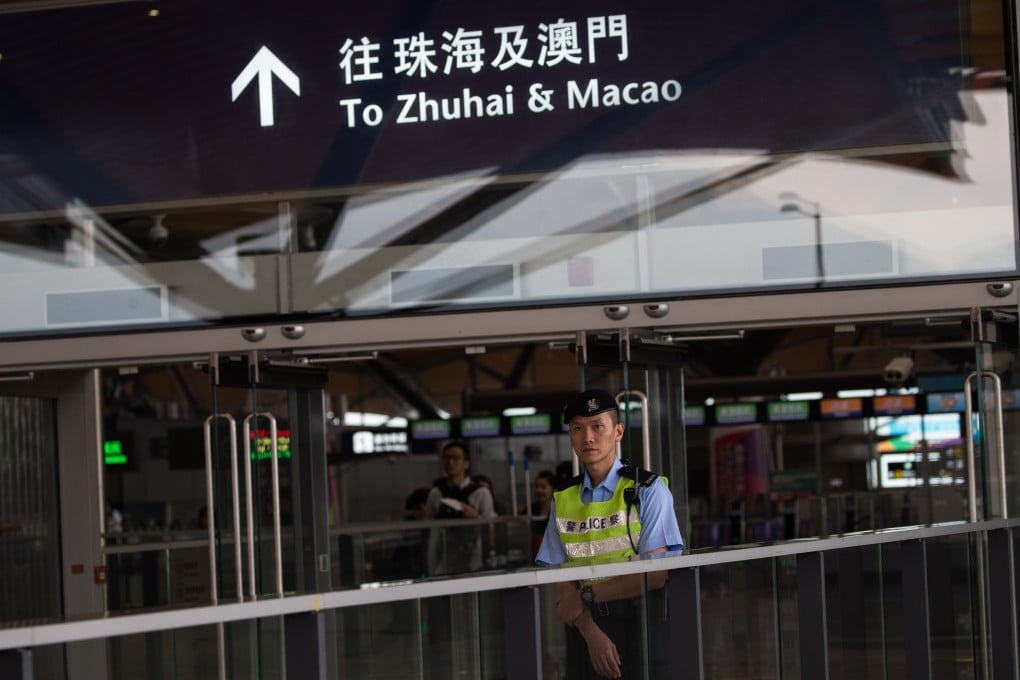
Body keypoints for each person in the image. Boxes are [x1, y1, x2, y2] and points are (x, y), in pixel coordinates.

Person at [536, 389, 684, 679]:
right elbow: (560, 583)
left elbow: (656, 575)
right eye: (577, 428)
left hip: (641, 622)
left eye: (597, 427)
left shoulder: (649, 490)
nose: (587, 437)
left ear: (618, 432)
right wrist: (591, 633)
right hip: (584, 627)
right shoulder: (563, 499)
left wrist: (586, 595)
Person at [424, 439, 496, 575]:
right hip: (444, 558)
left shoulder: (480, 493)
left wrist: (475, 518)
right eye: (447, 458)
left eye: (456, 458)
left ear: (466, 463)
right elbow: (430, 530)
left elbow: (491, 526)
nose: (451, 462)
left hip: (474, 559)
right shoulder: (436, 493)